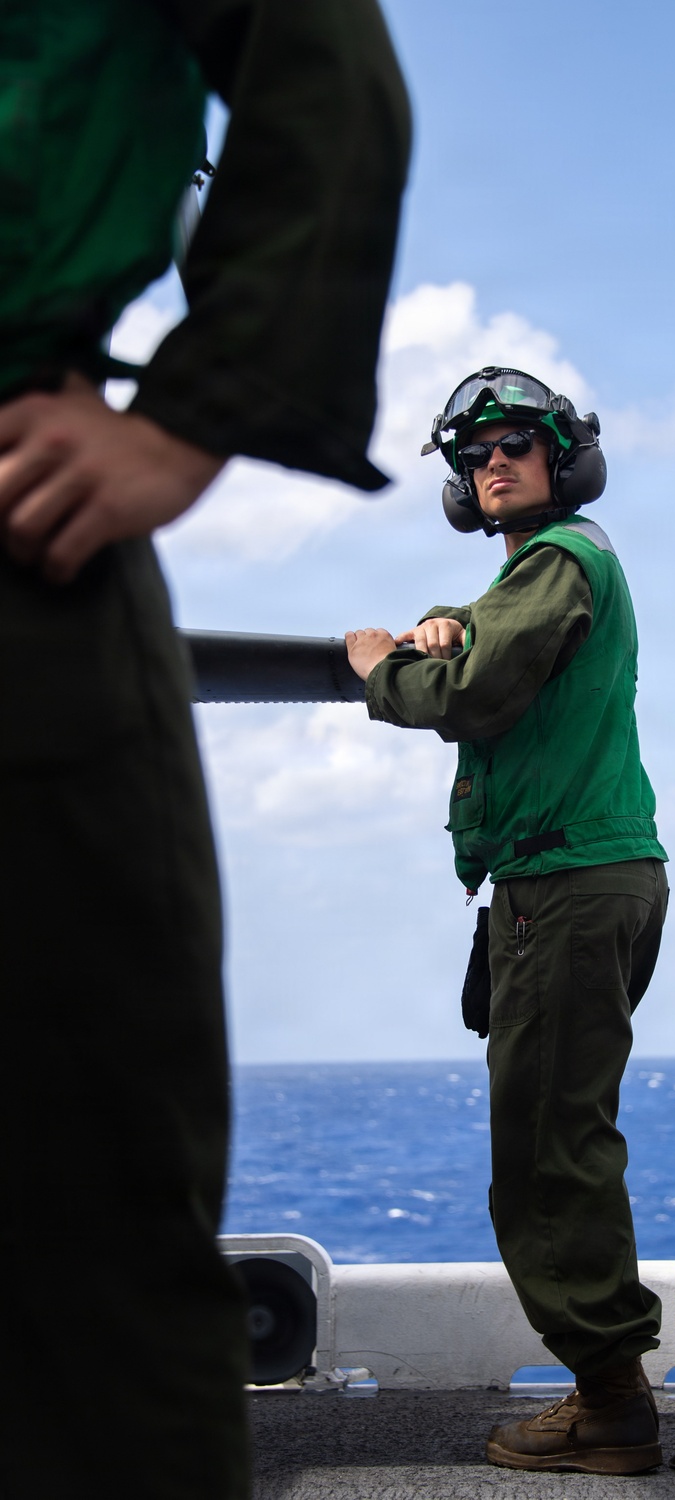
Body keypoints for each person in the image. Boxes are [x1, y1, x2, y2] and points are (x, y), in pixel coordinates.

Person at [0, 3, 410, 1497]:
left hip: (26, 520)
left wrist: (196, 412)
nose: (489, 473)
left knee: (87, 1226)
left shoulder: (564, 578)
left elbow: (318, 54)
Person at [346, 367, 669, 1475]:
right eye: (474, 455)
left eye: (514, 445)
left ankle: (610, 1406)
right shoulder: (543, 574)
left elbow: (475, 696)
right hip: (578, 882)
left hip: (569, 887)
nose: (492, 464)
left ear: (561, 458)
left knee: (547, 1150)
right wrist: (448, 621)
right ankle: (607, 1390)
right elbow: (490, 636)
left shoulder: (564, 557)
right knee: (561, 1129)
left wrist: (381, 664)